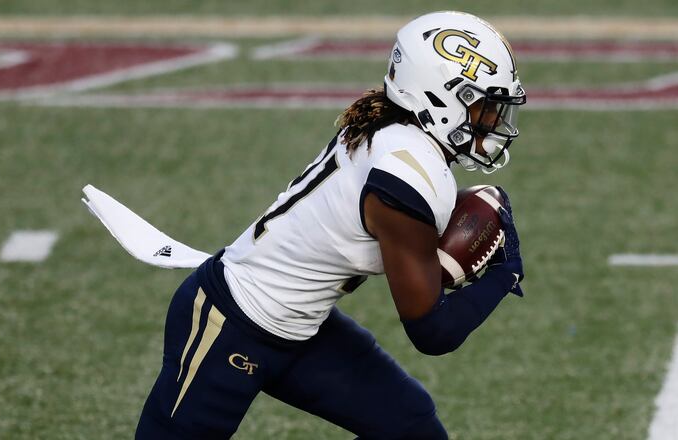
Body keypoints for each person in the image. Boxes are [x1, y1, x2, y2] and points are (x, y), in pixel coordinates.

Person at [134, 11, 526, 439]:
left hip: (301, 325)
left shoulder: (392, 126)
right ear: (440, 98)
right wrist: (505, 274)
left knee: (412, 430)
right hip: (232, 322)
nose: (492, 122)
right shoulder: (408, 178)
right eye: (484, 106)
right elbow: (433, 331)